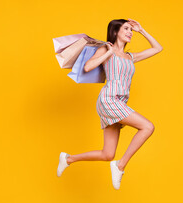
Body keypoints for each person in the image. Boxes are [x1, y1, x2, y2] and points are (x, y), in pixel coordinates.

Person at [57, 18, 163, 190]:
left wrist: (141, 30)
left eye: (131, 30)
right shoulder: (105, 49)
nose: (130, 32)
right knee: (147, 127)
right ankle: (120, 166)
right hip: (109, 99)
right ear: (116, 31)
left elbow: (158, 48)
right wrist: (108, 52)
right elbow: (88, 67)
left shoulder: (130, 57)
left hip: (120, 101)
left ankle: (68, 159)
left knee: (107, 154)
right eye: (127, 29)